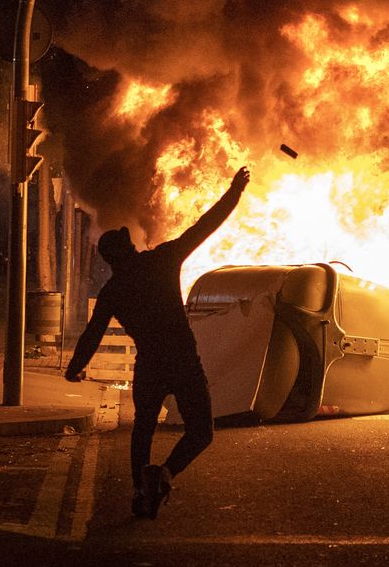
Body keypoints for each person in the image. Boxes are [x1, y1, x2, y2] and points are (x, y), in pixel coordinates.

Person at [65, 166, 250, 520]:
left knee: (143, 430)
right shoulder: (163, 260)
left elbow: (92, 333)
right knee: (201, 432)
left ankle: (139, 489)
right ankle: (164, 474)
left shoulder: (112, 291)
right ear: (129, 248)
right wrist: (233, 192)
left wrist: (76, 368)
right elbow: (204, 227)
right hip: (183, 360)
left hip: (150, 364)